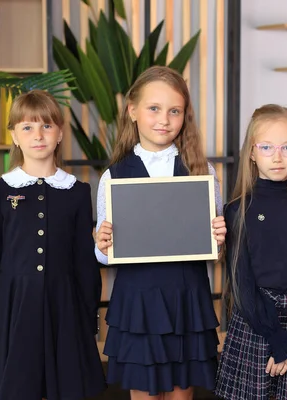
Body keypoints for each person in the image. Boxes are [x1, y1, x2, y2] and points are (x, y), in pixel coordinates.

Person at [94, 66, 226, 399]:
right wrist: (102, 244)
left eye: (174, 111)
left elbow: (215, 247)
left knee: (182, 394)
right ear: (132, 111)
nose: (163, 119)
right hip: (138, 301)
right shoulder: (113, 177)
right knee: (145, 394)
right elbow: (105, 253)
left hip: (186, 299)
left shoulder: (203, 172)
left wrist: (219, 238)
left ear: (185, 116)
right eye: (154, 108)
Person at [0, 89, 106, 400]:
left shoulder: (77, 191)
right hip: (11, 310)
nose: (37, 135)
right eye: (27, 127)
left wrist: (87, 324)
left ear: (59, 134)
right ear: (14, 136)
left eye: (46, 126)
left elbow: (84, 263)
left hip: (64, 310)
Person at [215, 105, 287, 400]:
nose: (277, 157)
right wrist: (277, 338)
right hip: (256, 318)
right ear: (252, 153)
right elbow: (241, 283)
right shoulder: (236, 211)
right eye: (266, 147)